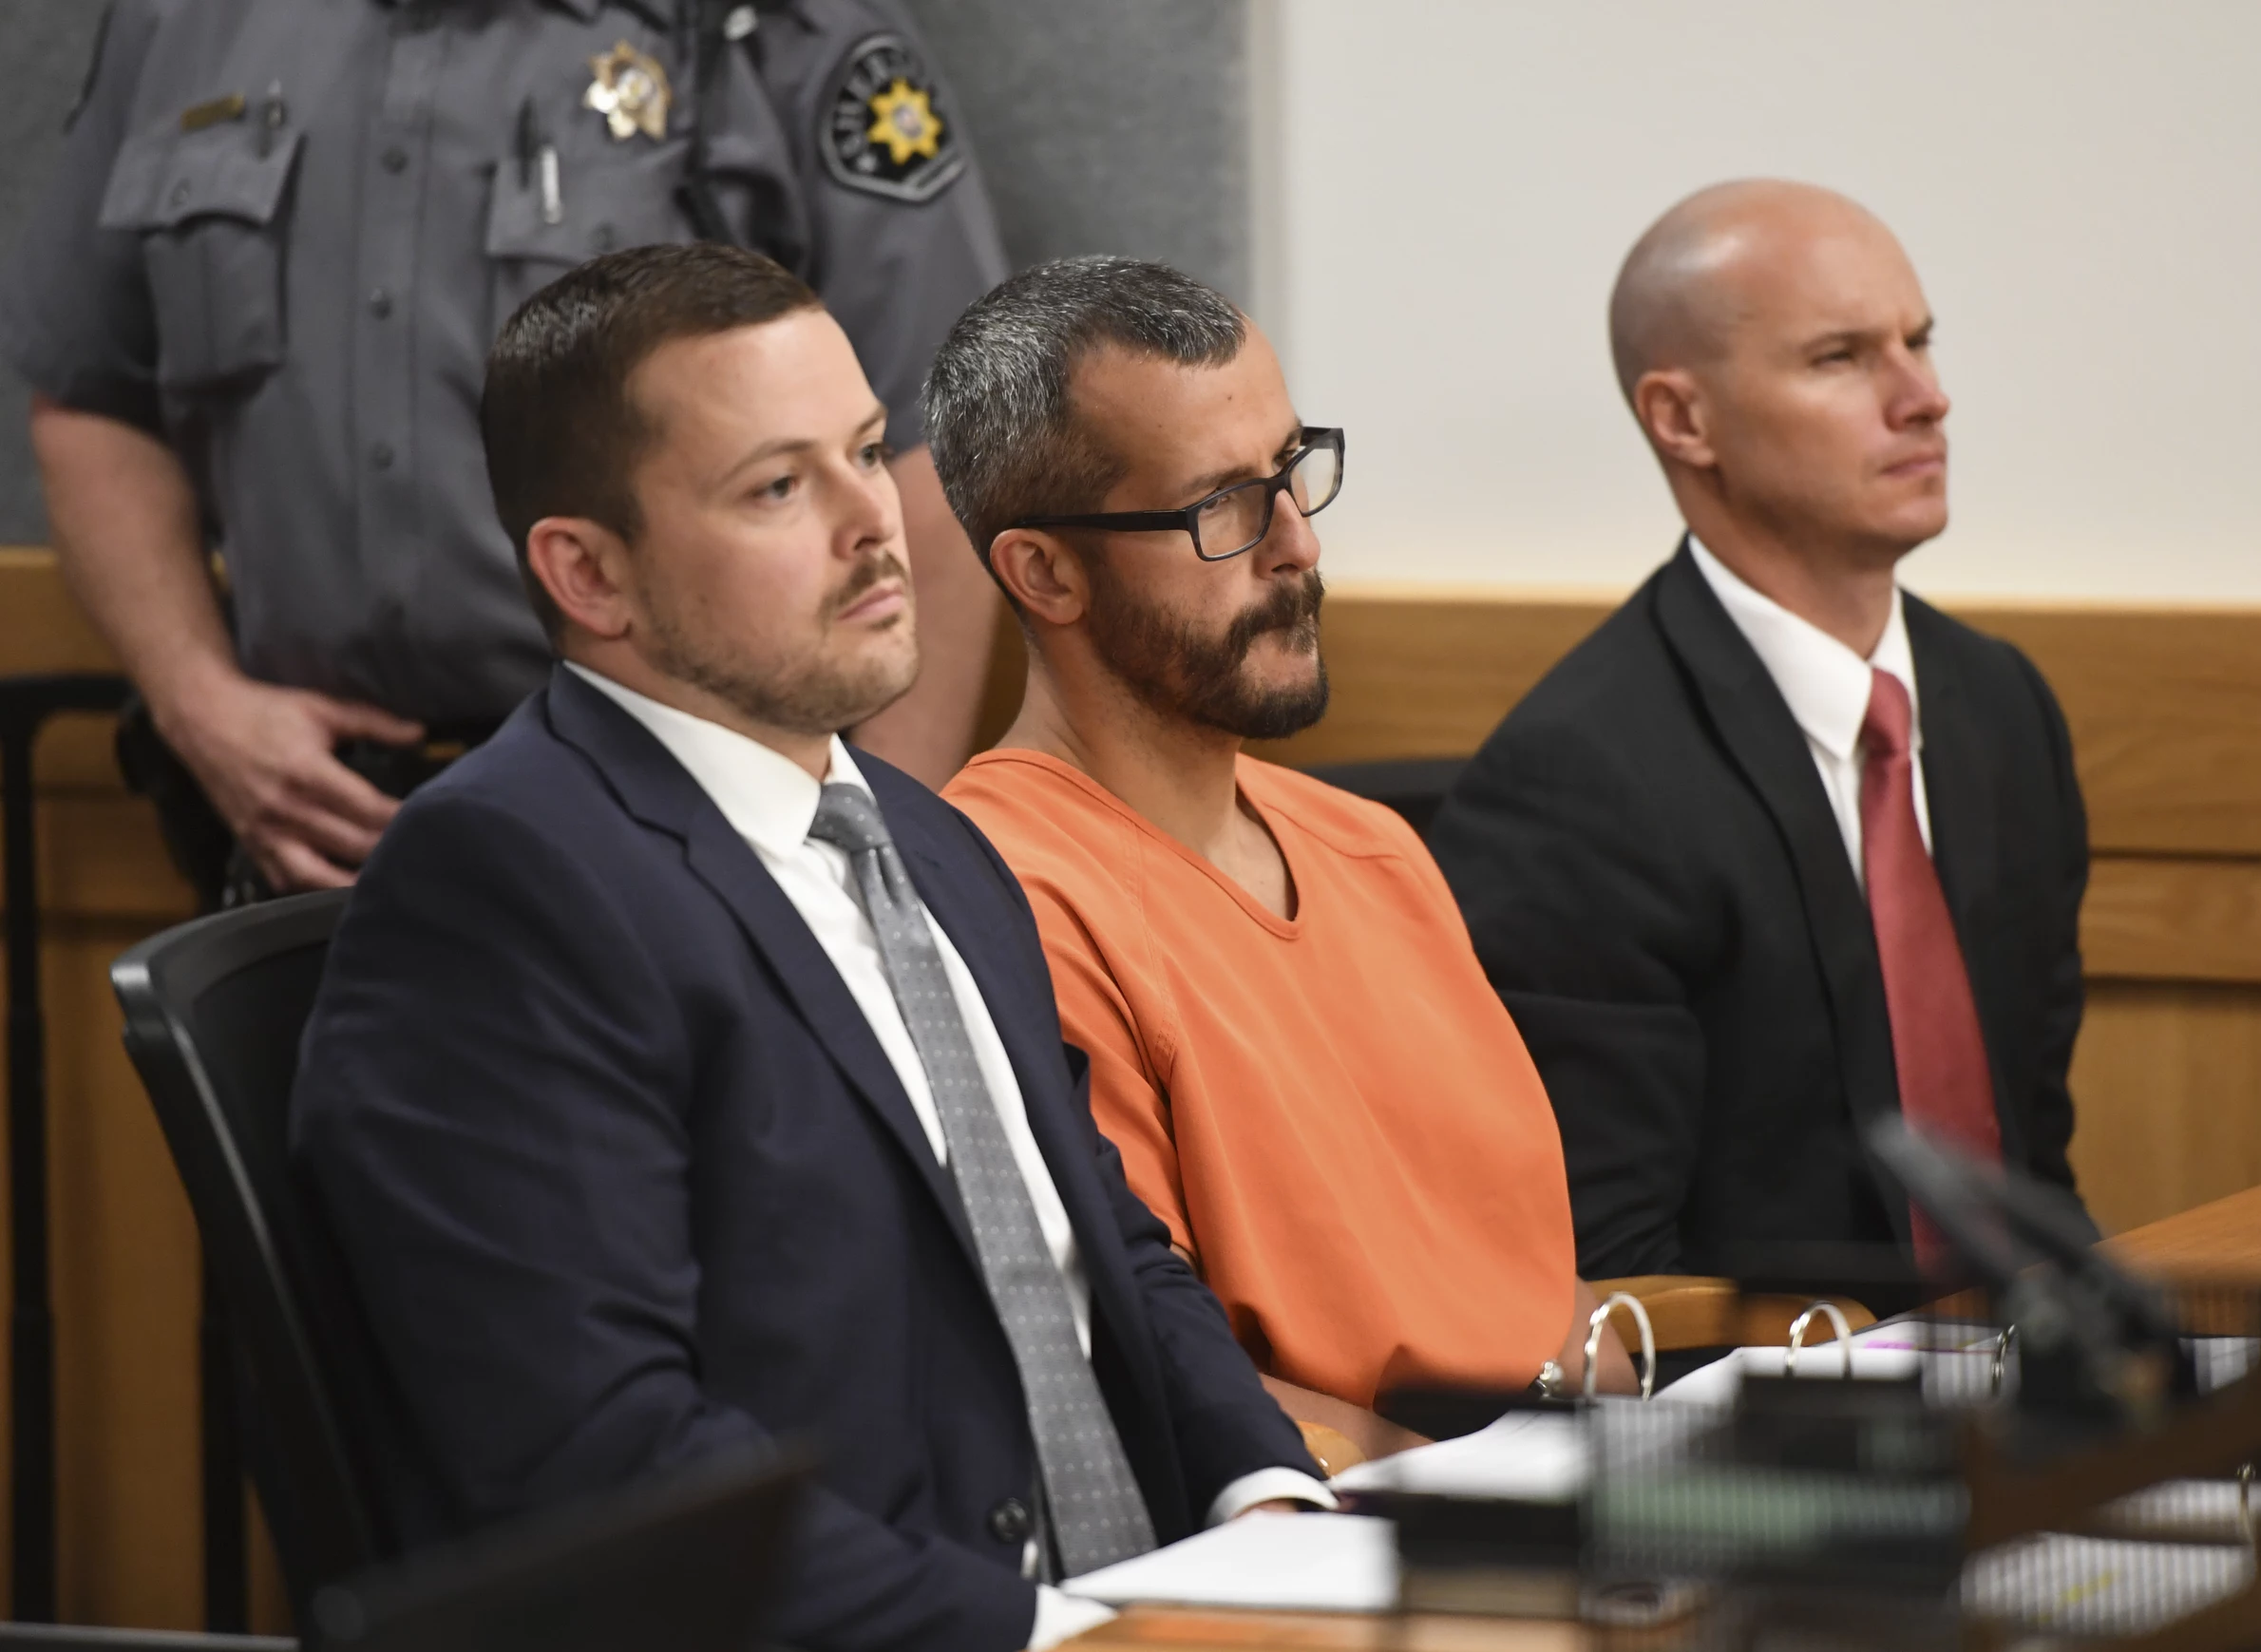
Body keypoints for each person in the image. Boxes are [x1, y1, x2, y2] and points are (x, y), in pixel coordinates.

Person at [288, 243, 1330, 1652]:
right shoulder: (507, 881)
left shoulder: (929, 835)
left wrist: (1266, 1507)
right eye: (779, 486)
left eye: (865, 450)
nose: (878, 522)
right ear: (589, 571)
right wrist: (1067, 1640)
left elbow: (1112, 1244)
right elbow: (600, 1472)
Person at [2, 0, 1004, 905]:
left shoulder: (769, 30)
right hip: (303, 838)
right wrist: (198, 701)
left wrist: (873, 853)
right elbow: (96, 398)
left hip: (693, 842)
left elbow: (932, 444)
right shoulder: (183, 22)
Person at [928, 257, 1619, 1469]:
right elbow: (1147, 1375)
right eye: (1221, 507)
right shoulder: (1004, 894)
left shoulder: (1375, 847)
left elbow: (1539, 1290)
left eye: (1293, 471)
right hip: (1338, 1548)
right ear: (1043, 571)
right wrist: (1510, 1502)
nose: (1296, 544)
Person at [1430, 180, 2093, 1282]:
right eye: (1840, 357)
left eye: (1917, 342)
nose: (1923, 397)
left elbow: (2031, 1167)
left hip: (2016, 1390)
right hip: (1761, 1422)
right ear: (1682, 419)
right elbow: (1609, 1283)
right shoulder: (1576, 784)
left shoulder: (2000, 707)